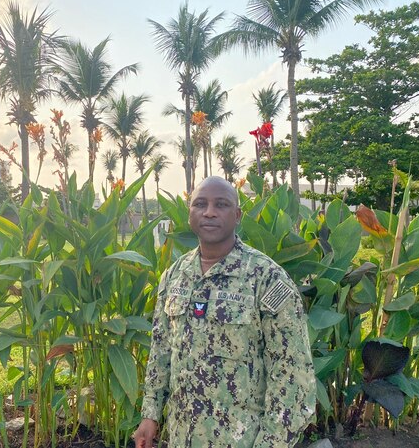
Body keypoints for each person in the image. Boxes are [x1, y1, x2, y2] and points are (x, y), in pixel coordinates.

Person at [133, 176, 316, 448]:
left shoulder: (266, 279)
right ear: (190, 213)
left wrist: (272, 442)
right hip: (182, 436)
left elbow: (293, 375)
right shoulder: (174, 276)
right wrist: (150, 414)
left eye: (221, 204)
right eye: (200, 204)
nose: (209, 212)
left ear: (238, 215)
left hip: (243, 439)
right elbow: (161, 351)